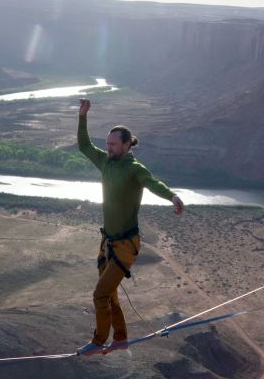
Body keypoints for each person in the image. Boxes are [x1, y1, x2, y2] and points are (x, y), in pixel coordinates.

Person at [76, 98, 184, 356]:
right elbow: (83, 145)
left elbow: (152, 182)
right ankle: (120, 338)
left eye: (113, 144)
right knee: (110, 295)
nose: (109, 147)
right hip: (108, 243)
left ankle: (99, 340)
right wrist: (82, 116)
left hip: (125, 245)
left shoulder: (134, 169)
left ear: (126, 145)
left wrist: (172, 196)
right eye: (108, 144)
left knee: (100, 294)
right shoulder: (106, 161)